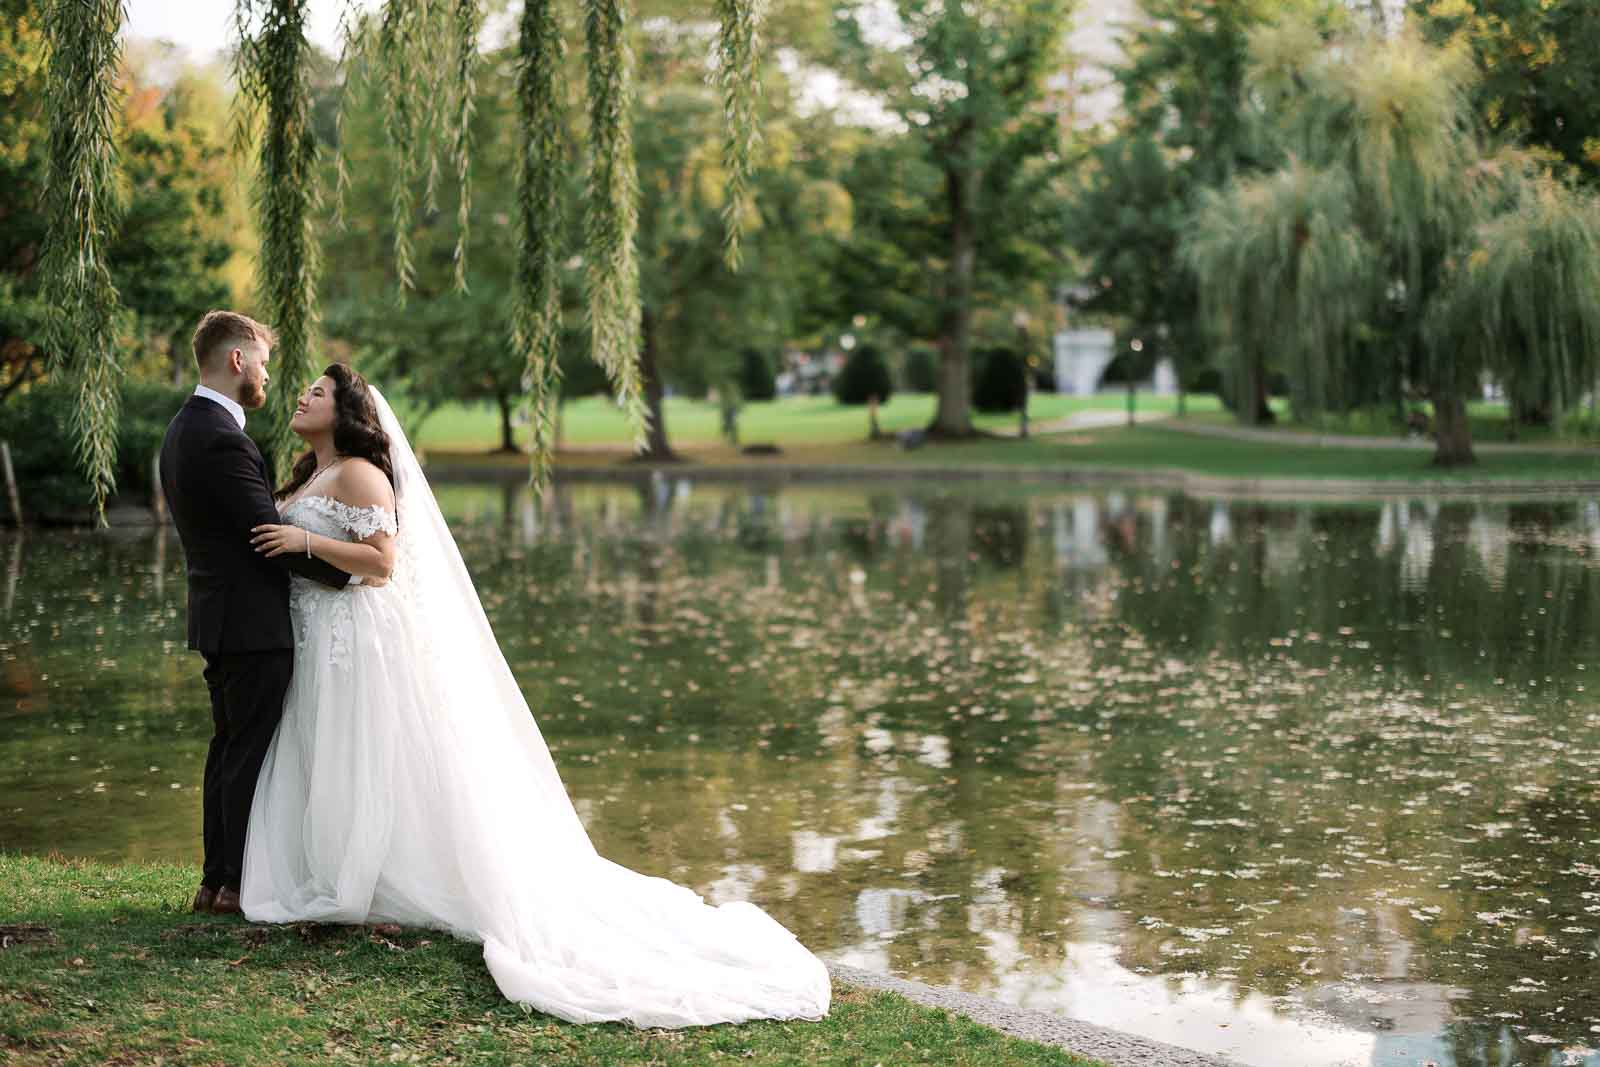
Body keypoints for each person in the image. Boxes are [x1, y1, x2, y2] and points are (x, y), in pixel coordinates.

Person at [241, 362, 830, 1028]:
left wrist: (304, 538)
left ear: (345, 411)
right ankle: (347, 866)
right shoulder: (309, 471)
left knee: (364, 749)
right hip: (321, 634)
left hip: (355, 636)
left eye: (316, 392)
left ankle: (373, 875)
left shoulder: (360, 473)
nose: (302, 396)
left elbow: (382, 562)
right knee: (331, 748)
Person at [158, 311, 352, 917]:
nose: (268, 374)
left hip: (221, 619)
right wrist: (351, 575)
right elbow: (265, 535)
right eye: (263, 362)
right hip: (252, 624)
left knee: (228, 749)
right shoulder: (220, 434)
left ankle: (216, 881)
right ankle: (234, 884)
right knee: (248, 754)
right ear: (237, 360)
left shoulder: (183, 429)